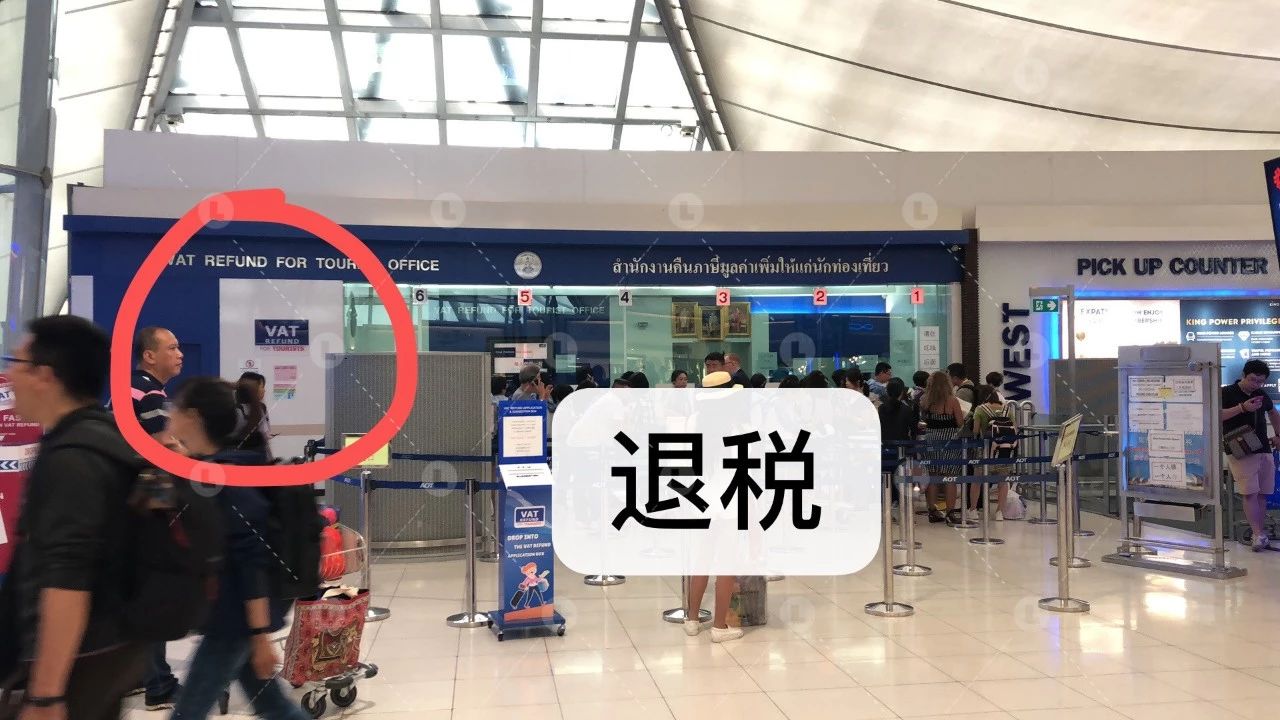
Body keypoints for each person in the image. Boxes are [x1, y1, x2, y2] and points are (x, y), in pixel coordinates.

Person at [1, 315, 147, 720]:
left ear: (45, 375)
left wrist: (46, 695)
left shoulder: (71, 459)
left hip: (76, 664)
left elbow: (68, 578)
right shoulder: (108, 437)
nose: (10, 376)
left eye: (17, 363)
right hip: (112, 650)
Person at [166, 378, 310, 720]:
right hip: (231, 619)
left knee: (187, 713)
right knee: (274, 707)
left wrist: (259, 636)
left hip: (234, 623)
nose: (169, 414)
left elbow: (251, 557)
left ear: (193, 416)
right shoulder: (217, 467)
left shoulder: (225, 477)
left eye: (174, 408)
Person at [129, 327, 184, 710]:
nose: (180, 354)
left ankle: (140, 674)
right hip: (145, 508)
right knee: (155, 594)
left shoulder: (133, 389)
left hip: (128, 505)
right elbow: (165, 449)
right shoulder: (149, 393)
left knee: (141, 594)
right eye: (172, 348)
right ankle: (158, 685)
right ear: (149, 355)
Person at [685, 370, 744, 644]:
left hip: (700, 502)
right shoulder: (736, 428)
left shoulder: (692, 422)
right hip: (728, 504)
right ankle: (720, 626)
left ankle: (692, 619)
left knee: (701, 560)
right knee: (726, 565)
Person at [1222, 359, 1280, 551]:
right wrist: (1242, 408)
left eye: (1261, 381)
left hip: (1263, 448)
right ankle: (1257, 534)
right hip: (1240, 449)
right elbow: (1216, 415)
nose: (1256, 384)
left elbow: (1273, 413)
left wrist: (1278, 435)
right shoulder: (1226, 392)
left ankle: (1260, 534)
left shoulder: (1261, 394)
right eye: (1253, 380)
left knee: (1263, 493)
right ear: (1243, 375)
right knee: (1250, 493)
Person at [921, 370, 966, 525]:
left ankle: (932, 511)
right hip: (949, 440)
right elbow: (960, 423)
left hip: (931, 439)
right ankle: (950, 512)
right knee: (950, 477)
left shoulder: (925, 400)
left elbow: (924, 420)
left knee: (933, 476)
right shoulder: (952, 401)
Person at [970, 384, 1014, 519]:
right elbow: (1014, 429)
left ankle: (973, 510)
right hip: (1004, 451)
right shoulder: (1007, 409)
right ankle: (999, 512)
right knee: (1003, 482)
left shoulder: (980, 409)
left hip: (985, 450)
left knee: (977, 481)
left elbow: (976, 431)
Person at [879, 378, 918, 509]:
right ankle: (900, 501)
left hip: (885, 448)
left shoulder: (881, 409)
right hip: (902, 448)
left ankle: (888, 500)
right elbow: (913, 429)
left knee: (887, 474)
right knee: (901, 474)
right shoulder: (906, 410)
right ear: (902, 392)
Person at [234, 373, 272, 462]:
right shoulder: (238, 410)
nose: (264, 390)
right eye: (261, 387)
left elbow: (265, 437)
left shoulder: (262, 408)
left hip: (262, 456)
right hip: (242, 459)